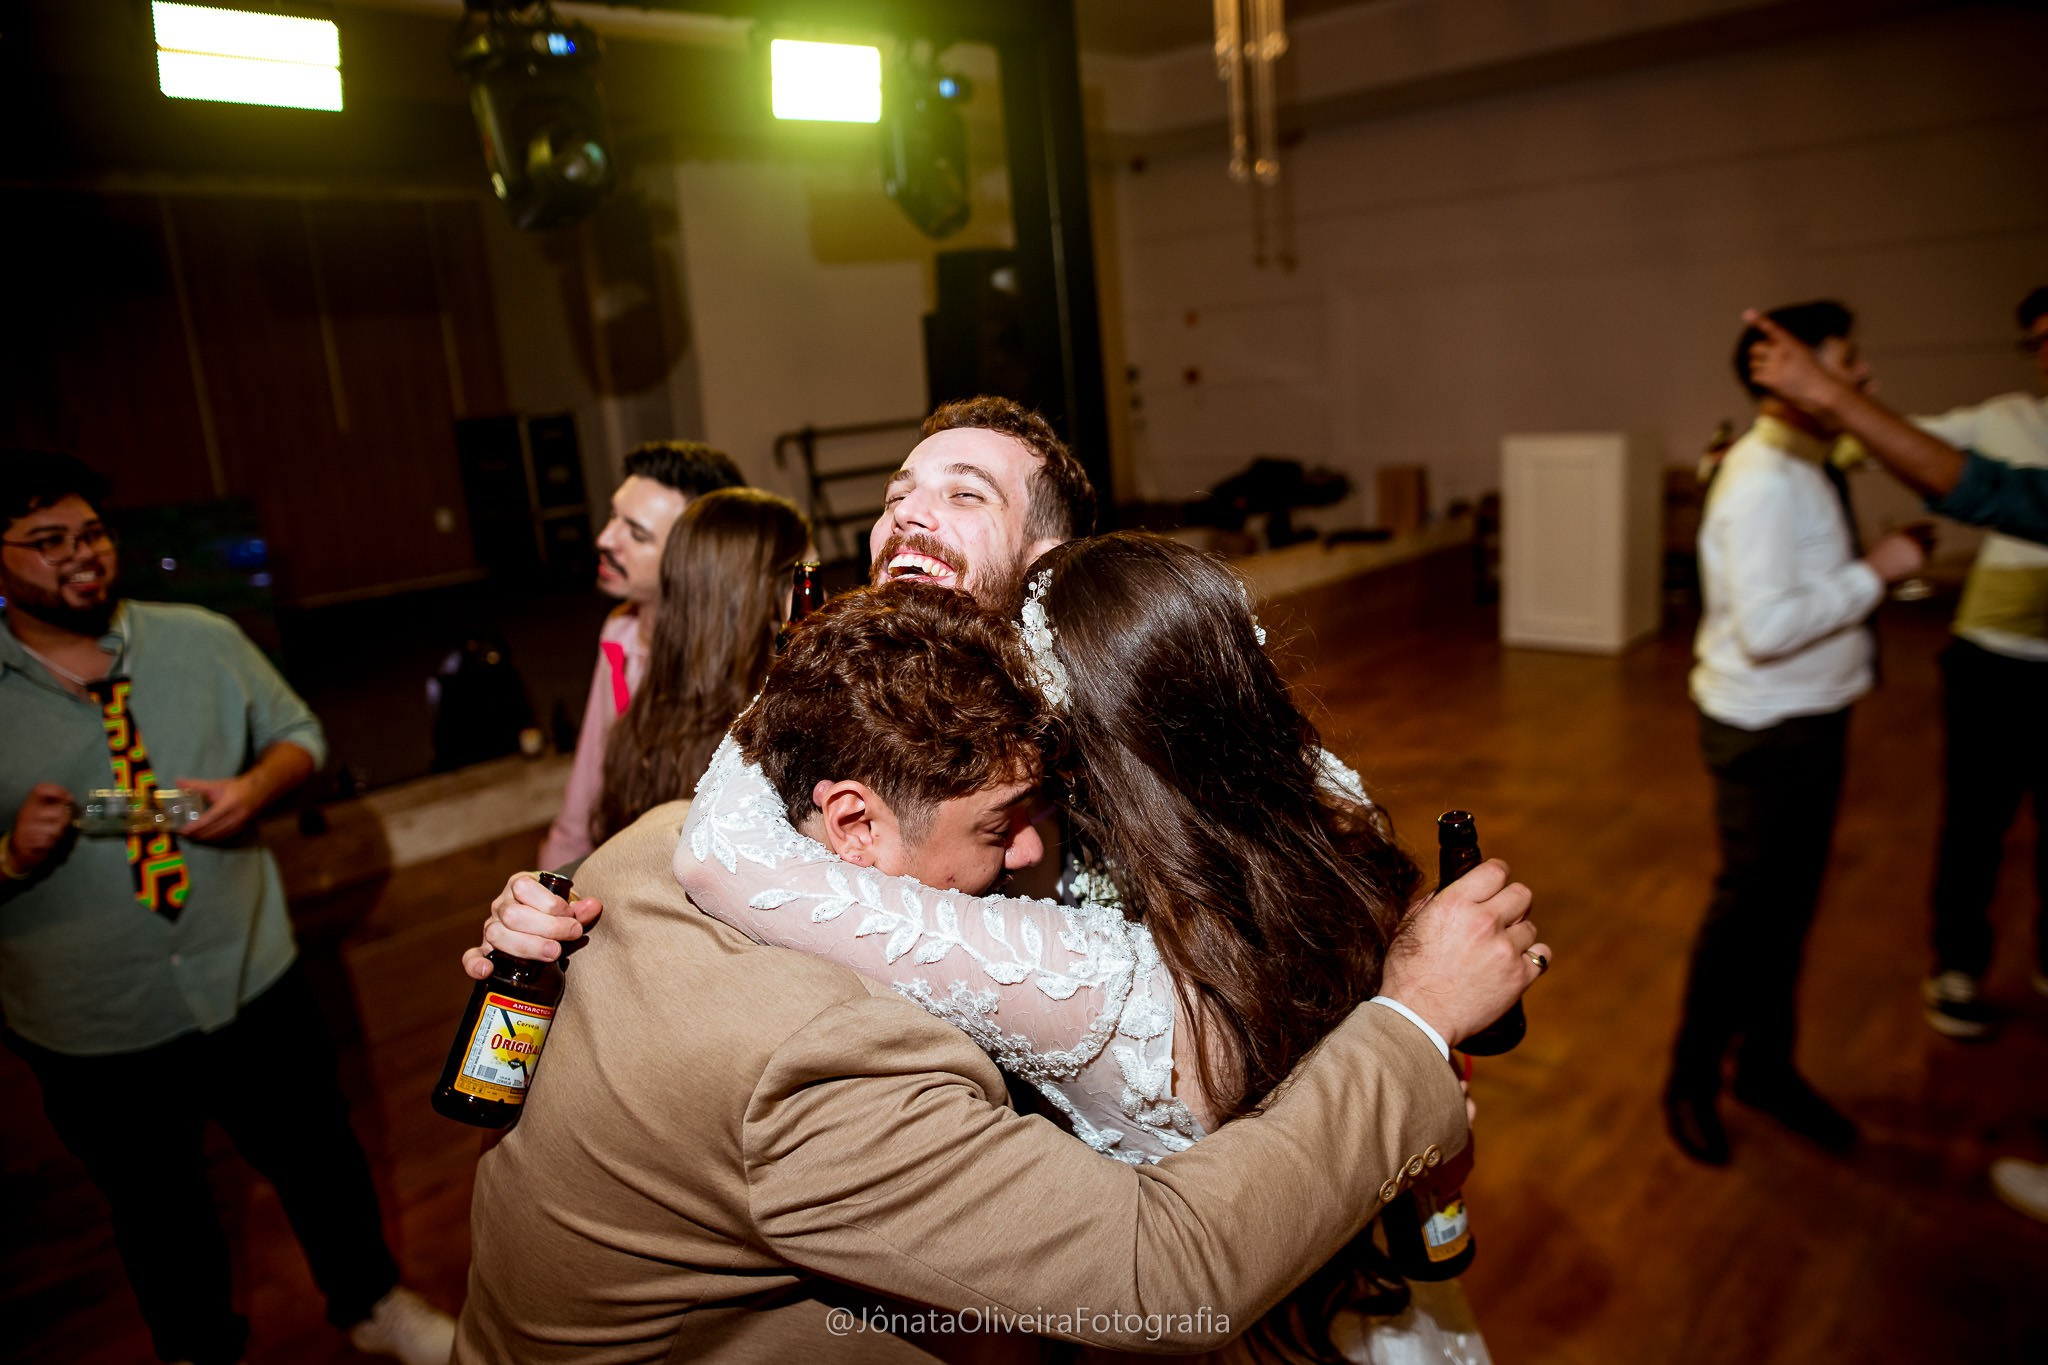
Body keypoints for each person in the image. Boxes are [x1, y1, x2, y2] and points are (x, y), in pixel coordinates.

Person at [453, 581, 1541, 1363]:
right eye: (998, 824)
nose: (1029, 850)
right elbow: (1160, 1283)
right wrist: (1412, 1017)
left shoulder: (668, 834)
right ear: (851, 821)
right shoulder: (820, 1062)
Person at [0, 451, 452, 1365]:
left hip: (250, 970)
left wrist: (256, 786)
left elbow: (299, 737)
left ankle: (371, 1300)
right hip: (93, 1015)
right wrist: (9, 854)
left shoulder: (199, 637)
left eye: (91, 534)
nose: (81, 556)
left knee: (321, 1158)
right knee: (156, 1205)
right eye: (48, 542)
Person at [1663, 302, 1930, 1168]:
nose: (1867, 381)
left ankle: (1767, 1068)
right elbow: (1768, 628)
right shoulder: (1762, 481)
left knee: (1786, 916)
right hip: (1766, 733)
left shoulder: (1806, 461)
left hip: (1809, 720)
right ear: (1790, 374)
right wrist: (1878, 573)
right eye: (1850, 363)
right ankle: (1691, 1081)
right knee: (1747, 916)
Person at [539, 439, 744, 869]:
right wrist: (551, 877)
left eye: (636, 533)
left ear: (696, 558)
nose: (604, 539)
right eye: (614, 516)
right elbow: (588, 786)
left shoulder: (743, 663)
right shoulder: (619, 630)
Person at [588, 485, 808, 848]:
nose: (822, 599)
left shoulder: (646, 714)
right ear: (761, 598)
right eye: (803, 582)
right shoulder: (773, 726)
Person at [1744, 304, 2048, 545]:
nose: (1866, 374)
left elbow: (1997, 493)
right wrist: (1875, 574)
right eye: (2037, 344)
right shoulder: (1766, 479)